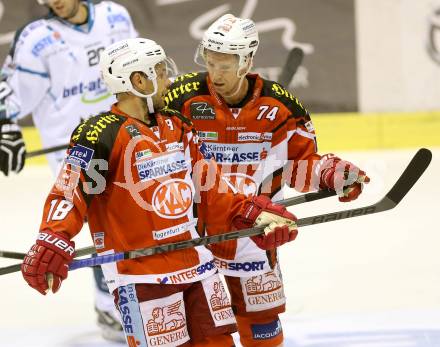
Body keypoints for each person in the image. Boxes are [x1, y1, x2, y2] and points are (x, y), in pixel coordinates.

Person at [20, 37, 299, 347]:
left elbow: (213, 190)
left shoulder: (177, 125)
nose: (169, 80)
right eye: (160, 73)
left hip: (198, 265)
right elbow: (69, 191)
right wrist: (54, 237)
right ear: (138, 80)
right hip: (139, 276)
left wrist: (252, 215)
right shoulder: (101, 133)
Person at [165, 14, 370, 347]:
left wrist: (333, 174)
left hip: (255, 236)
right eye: (210, 63)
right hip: (196, 236)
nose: (215, 74)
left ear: (247, 61)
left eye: (225, 66)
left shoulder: (281, 108)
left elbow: (302, 163)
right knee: (207, 336)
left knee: (263, 334)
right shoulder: (181, 99)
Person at [0, 0, 138, 341]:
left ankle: (146, 289)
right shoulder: (36, 38)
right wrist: (6, 126)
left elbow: (143, 66)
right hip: (75, 148)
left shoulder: (115, 15)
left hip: (128, 134)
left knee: (139, 215)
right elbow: (9, 93)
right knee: (104, 218)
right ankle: (110, 304)